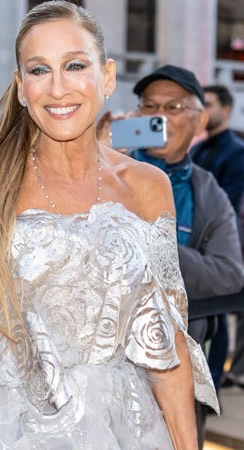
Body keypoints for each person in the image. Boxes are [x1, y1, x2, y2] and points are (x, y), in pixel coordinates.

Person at [0, 1, 218, 449]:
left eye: (75, 65)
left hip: (123, 426)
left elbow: (165, 339)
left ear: (107, 77)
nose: (57, 88)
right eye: (38, 70)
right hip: (4, 427)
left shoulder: (149, 186)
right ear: (20, 87)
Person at [97, 65, 244, 448]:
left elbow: (230, 275)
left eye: (175, 106)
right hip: (99, 374)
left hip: (177, 373)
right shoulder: (106, 169)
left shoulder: (206, 190)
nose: (159, 115)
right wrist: (92, 156)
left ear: (199, 121)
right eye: (149, 106)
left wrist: (151, 245)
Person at [191, 85, 244, 392]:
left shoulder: (236, 153)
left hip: (220, 248)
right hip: (197, 247)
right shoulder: (199, 149)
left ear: (226, 109)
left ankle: (212, 382)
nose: (203, 111)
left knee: (217, 317)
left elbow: (226, 204)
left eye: (208, 104)